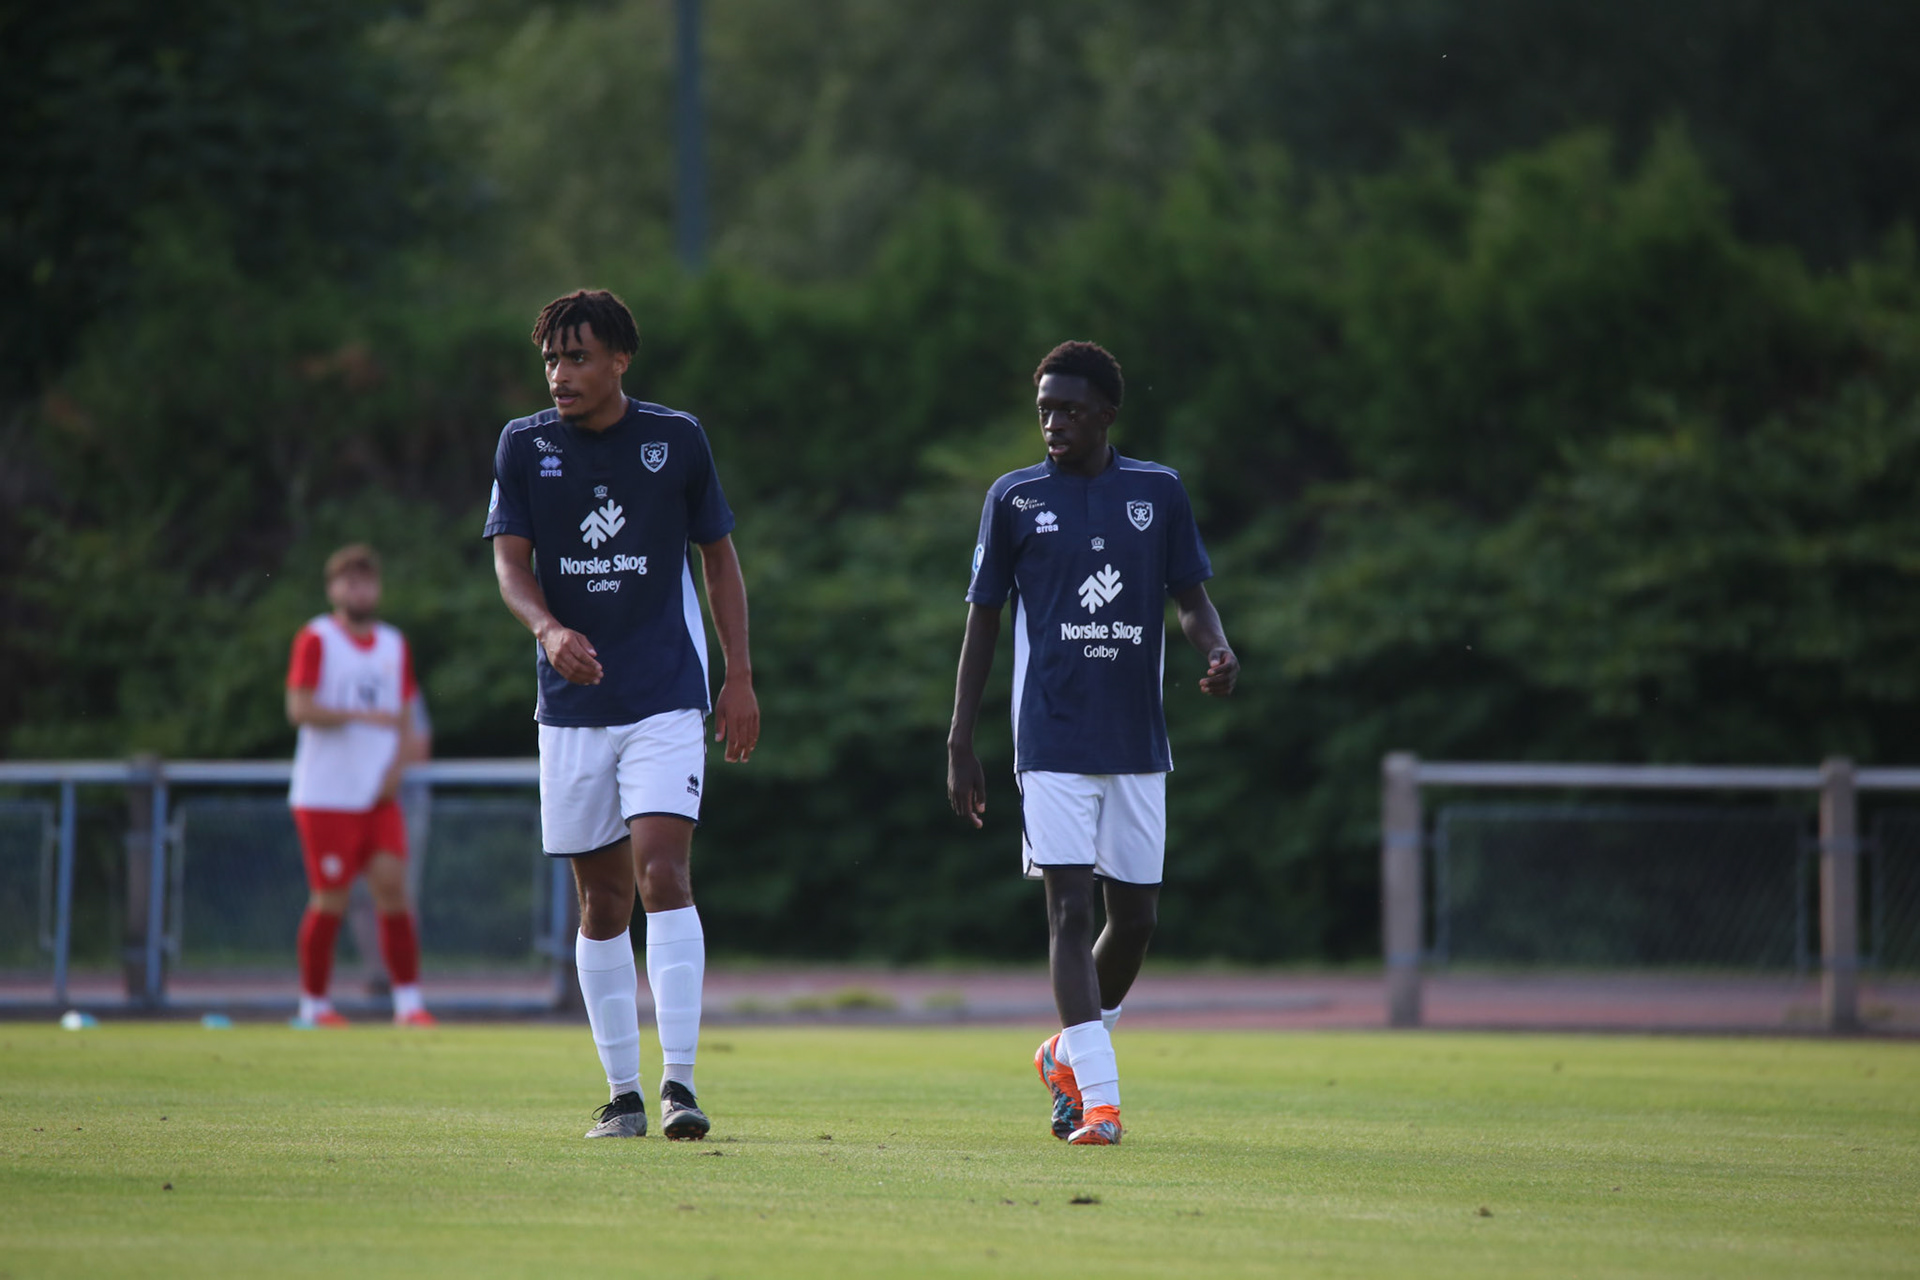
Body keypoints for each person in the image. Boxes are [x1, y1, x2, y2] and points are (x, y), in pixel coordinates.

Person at [946, 341, 1238, 1146]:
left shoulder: (1157, 492)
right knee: (1070, 912)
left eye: (1070, 410)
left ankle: (1064, 1055)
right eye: (1045, 410)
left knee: (1135, 920)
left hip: (1138, 740)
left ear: (1107, 413)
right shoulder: (1014, 498)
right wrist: (960, 739)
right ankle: (1100, 1105)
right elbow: (982, 622)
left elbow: (1191, 600)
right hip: (1051, 740)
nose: (1054, 424)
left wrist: (1217, 648)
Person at [484, 288, 758, 1141]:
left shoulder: (676, 440)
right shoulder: (524, 446)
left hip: (664, 697)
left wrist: (740, 677)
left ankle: (680, 1086)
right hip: (571, 708)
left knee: (663, 874)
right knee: (601, 903)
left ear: (619, 360)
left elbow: (719, 560)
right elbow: (510, 566)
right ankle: (622, 1094)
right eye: (551, 360)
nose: (560, 375)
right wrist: (548, 629)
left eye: (577, 358)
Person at [285, 543, 436, 1027]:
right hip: (326, 795)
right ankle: (314, 1005)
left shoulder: (393, 644)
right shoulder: (317, 638)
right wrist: (360, 715)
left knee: (393, 891)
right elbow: (299, 708)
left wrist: (395, 771)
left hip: (378, 796)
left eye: (367, 581)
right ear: (333, 589)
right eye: (350, 582)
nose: (360, 590)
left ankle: (408, 1003)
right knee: (331, 898)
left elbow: (406, 718)